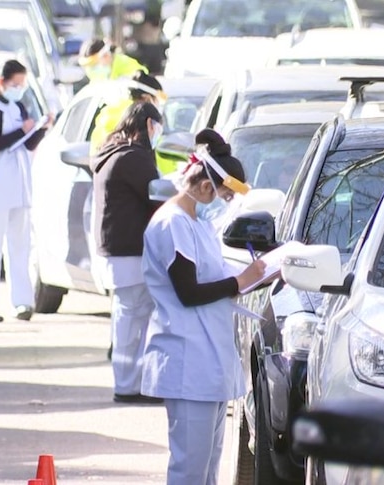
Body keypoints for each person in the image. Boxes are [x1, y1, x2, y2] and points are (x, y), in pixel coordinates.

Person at [141, 129, 274, 484]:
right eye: (224, 193)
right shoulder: (172, 223)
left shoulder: (197, 226)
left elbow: (216, 277)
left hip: (207, 360)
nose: (223, 200)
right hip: (187, 361)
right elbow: (188, 291)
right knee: (190, 469)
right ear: (204, 187)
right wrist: (240, 282)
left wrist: (263, 275)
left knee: (207, 469)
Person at [0, 59, 53, 322]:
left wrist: (40, 130)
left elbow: (26, 144)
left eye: (22, 85)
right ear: (1, 82)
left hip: (18, 185)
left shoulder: (17, 106)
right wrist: (21, 131)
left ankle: (23, 302)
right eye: (15, 84)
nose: (19, 89)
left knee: (20, 246)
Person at [91, 102, 164, 404]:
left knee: (127, 317)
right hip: (132, 248)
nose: (158, 134)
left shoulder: (111, 151)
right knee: (134, 320)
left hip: (117, 247)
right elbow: (156, 196)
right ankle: (130, 385)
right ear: (147, 125)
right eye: (157, 127)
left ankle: (127, 382)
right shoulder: (134, 158)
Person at [89, 71, 165, 157]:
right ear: (146, 98)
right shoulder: (143, 120)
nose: (159, 106)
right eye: (158, 101)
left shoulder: (109, 112)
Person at [77, 38, 148, 83]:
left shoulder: (125, 64)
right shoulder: (91, 71)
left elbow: (145, 79)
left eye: (95, 64)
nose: (94, 68)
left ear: (106, 55)